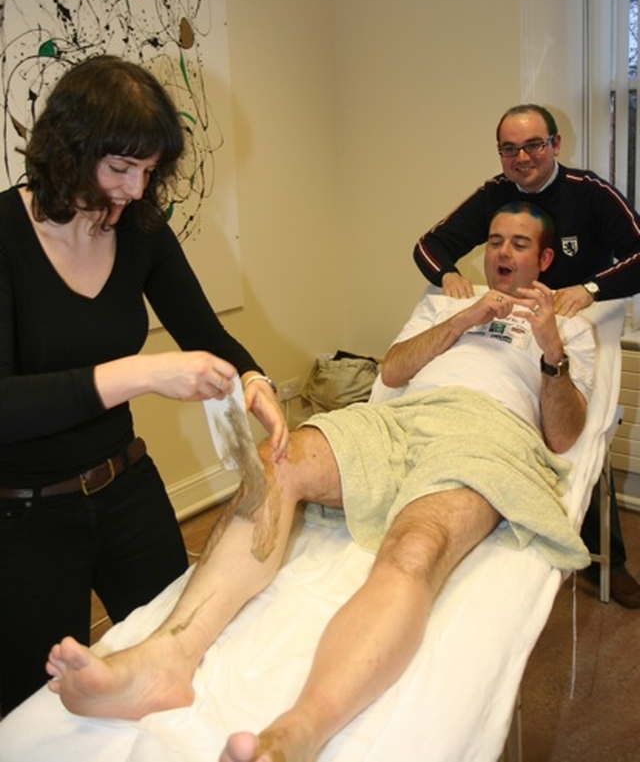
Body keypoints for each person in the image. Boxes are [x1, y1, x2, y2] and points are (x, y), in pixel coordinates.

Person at [47, 202, 595, 762]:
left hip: (485, 433)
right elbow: (392, 373)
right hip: (401, 418)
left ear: (545, 257)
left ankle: (295, 736)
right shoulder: (447, 305)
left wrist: (551, 348)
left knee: (414, 546)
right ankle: (166, 658)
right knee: (274, 462)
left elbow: (564, 435)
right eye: (495, 240)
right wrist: (463, 319)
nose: (502, 252)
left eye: (519, 244)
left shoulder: (570, 328)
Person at [0, 55, 287, 716]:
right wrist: (146, 371)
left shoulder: (140, 231)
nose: (134, 189)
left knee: (175, 652)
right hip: (25, 516)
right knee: (34, 704)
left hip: (125, 487)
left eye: (148, 170)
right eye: (120, 168)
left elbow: (203, 330)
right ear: (70, 150)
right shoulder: (4, 237)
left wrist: (253, 378)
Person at [413, 103, 640, 608]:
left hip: (570, 327)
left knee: (580, 443)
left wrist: (591, 288)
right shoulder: (494, 193)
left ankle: (610, 560)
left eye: (534, 145)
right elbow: (428, 245)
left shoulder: (591, 193)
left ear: (555, 145)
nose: (523, 158)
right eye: (510, 148)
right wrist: (448, 273)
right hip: (504, 332)